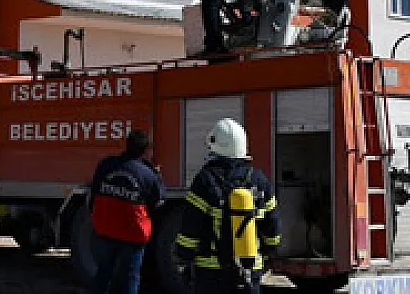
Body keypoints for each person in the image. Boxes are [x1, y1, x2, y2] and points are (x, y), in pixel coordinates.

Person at [175, 118, 280, 294]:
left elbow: (191, 226)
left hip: (212, 272)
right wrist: (269, 251)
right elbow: (273, 225)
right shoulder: (259, 180)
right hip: (249, 269)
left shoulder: (205, 180)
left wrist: (183, 257)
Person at [88, 129, 166, 294]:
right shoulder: (147, 174)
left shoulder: (106, 164)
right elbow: (158, 201)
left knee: (103, 272)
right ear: (146, 151)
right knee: (130, 277)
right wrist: (157, 175)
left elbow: (94, 193)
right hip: (133, 234)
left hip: (105, 229)